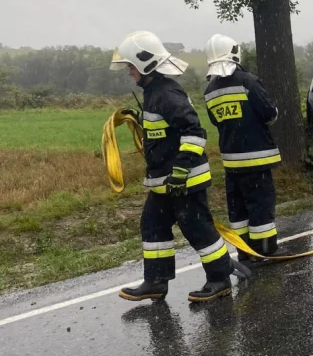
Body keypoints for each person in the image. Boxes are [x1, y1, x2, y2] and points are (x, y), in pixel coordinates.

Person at [110, 31, 234, 303]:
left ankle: (220, 279)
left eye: (131, 66)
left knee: (197, 229)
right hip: (163, 181)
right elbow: (165, 134)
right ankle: (155, 281)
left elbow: (194, 132)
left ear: (145, 64)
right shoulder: (154, 93)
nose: (129, 72)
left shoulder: (167, 93)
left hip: (183, 180)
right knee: (153, 225)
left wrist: (180, 172)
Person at [203, 34, 281, 265]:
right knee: (260, 203)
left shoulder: (210, 91)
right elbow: (269, 114)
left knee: (237, 207)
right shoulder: (249, 81)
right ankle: (265, 248)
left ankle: (244, 251)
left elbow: (217, 122)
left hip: (231, 160)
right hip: (257, 157)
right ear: (235, 53)